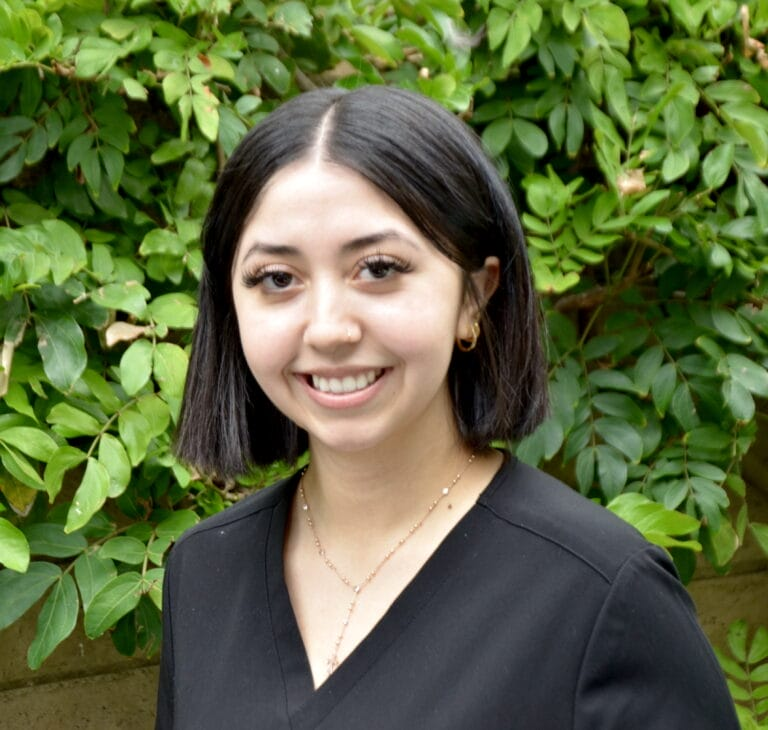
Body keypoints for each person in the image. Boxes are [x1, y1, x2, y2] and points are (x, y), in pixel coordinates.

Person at [155, 85, 738, 729]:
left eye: (377, 268)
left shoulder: (604, 597)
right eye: (276, 279)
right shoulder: (204, 571)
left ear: (474, 295)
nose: (327, 329)